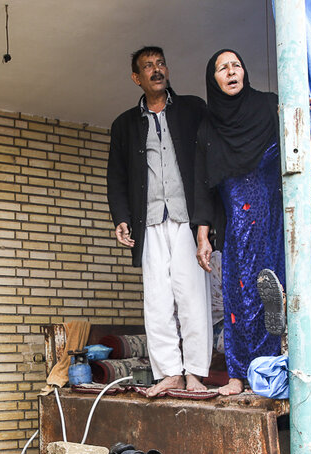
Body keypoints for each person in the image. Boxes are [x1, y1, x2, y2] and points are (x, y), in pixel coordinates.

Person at [107, 45, 213, 397]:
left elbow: (209, 161)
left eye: (160, 64)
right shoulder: (124, 125)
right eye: (148, 66)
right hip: (149, 222)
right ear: (136, 78)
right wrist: (121, 217)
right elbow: (117, 177)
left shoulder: (193, 109)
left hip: (187, 219)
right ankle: (170, 372)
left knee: (191, 296)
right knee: (156, 300)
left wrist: (208, 221)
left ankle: (196, 372)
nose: (156, 70)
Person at [194, 49, 285, 395]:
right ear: (213, 79)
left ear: (244, 71)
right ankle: (238, 375)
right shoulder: (208, 128)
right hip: (236, 229)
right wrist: (203, 236)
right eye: (222, 68)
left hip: (273, 223)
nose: (231, 72)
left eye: (236, 66)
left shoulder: (268, 107)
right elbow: (202, 186)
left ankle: (272, 372)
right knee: (238, 295)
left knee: (273, 292)